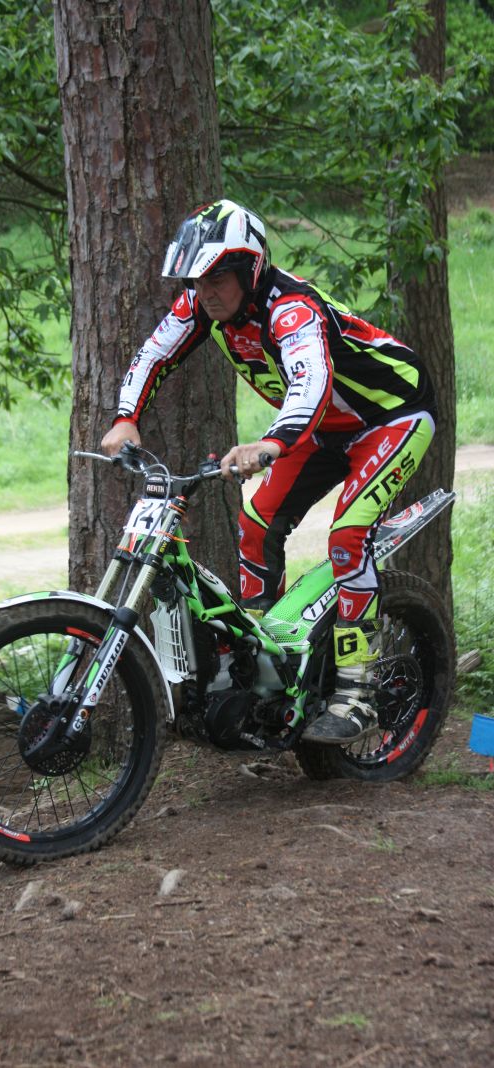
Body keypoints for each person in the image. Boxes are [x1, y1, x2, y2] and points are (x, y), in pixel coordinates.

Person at [101, 199, 436, 745]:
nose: (206, 292)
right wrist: (125, 417)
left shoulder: (292, 310)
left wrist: (273, 442)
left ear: (250, 269)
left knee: (348, 536)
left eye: (217, 278)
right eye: (197, 280)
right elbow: (153, 353)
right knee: (256, 524)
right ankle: (266, 674)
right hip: (323, 428)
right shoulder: (202, 307)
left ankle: (358, 690)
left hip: (392, 415)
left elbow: (311, 382)